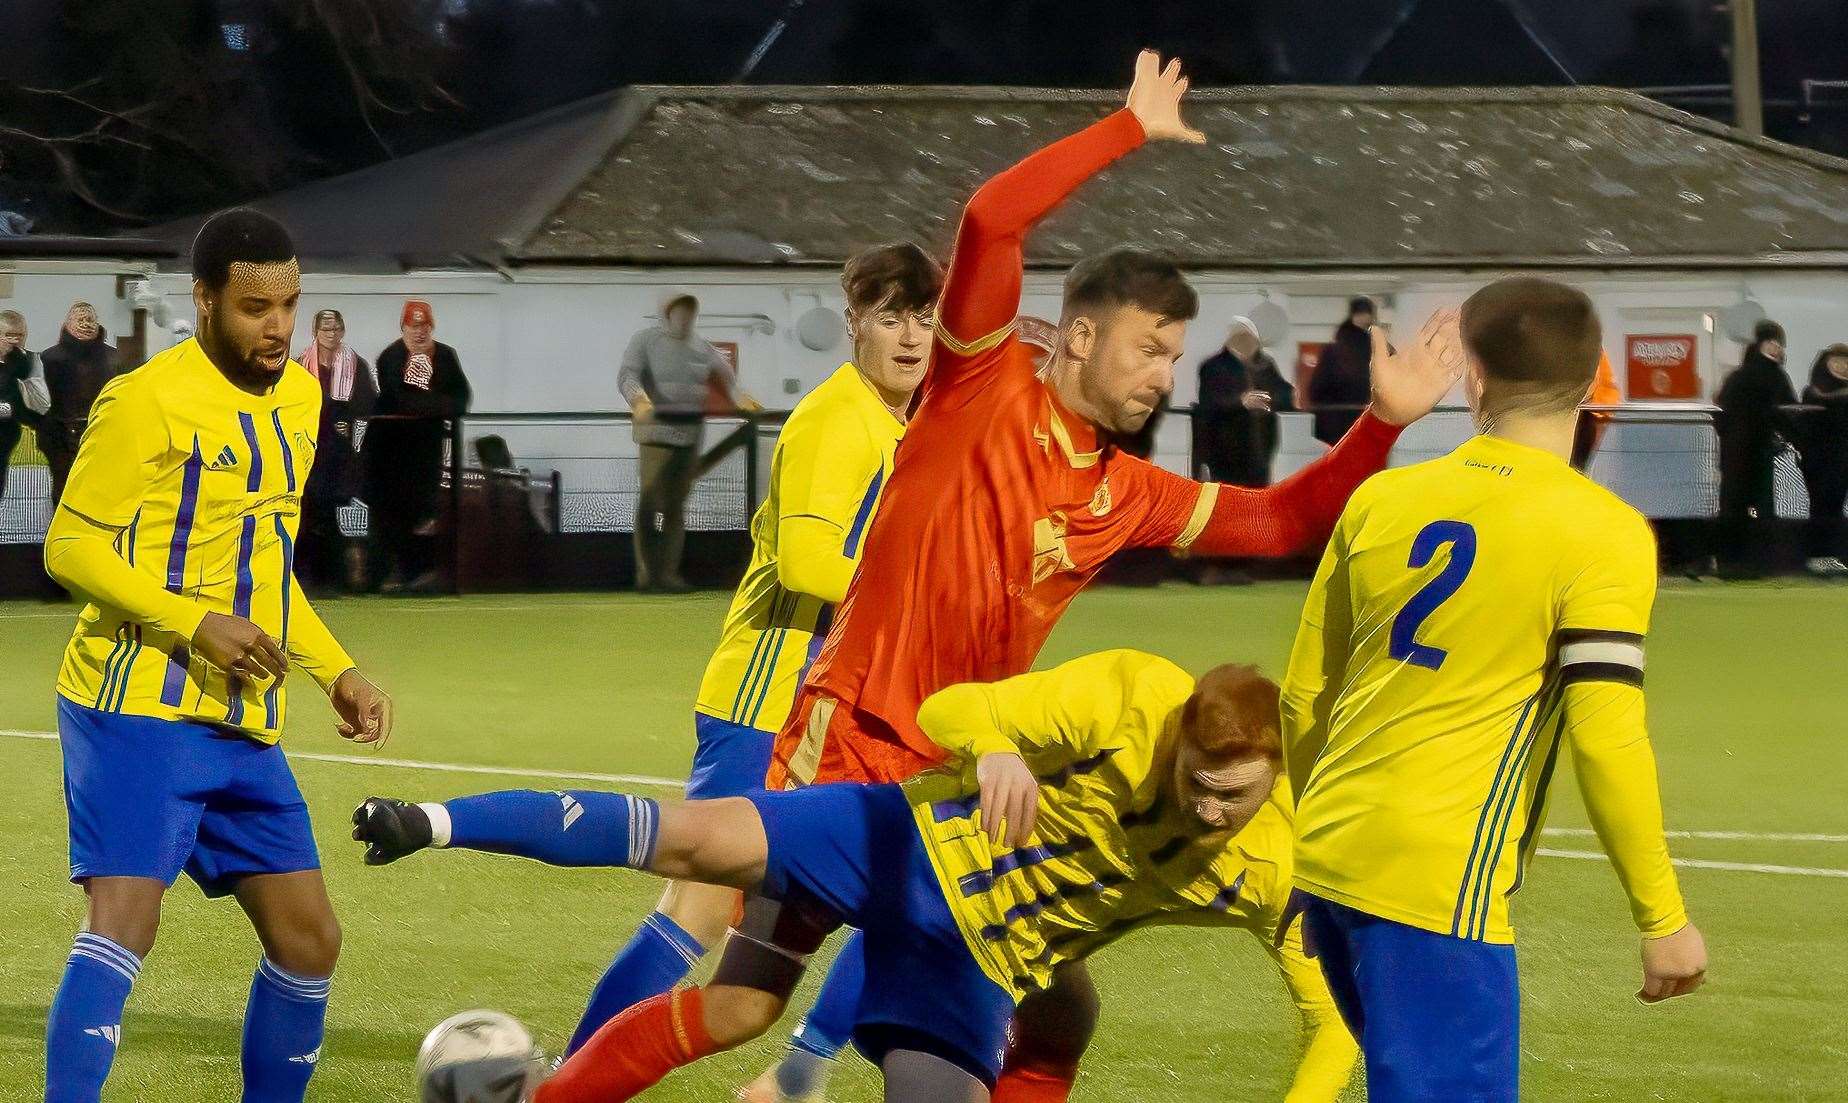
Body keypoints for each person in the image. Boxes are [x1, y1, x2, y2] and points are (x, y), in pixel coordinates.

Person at [545, 51, 1456, 1103]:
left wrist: (1382, 424)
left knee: (1053, 1004)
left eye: (1174, 355)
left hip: (970, 771)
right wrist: (1123, 128)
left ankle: (774, 1073)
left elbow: (1283, 516)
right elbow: (991, 220)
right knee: (743, 999)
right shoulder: (978, 381)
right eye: (1150, 349)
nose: (1164, 375)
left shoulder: (1131, 490)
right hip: (850, 740)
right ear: (1077, 335)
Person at [352, 649, 1359, 1102]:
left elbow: (1332, 1023)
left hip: (969, 954)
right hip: (899, 837)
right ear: (1181, 739)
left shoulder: (1280, 866)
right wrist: (1000, 746)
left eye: (1235, 794)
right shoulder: (1135, 695)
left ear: (1276, 772)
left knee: (750, 1006)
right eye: (1199, 783)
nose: (1212, 808)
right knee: (692, 837)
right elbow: (960, 706)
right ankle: (430, 820)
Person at [1279, 276, 1707, 1103]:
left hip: (1332, 858)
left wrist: (1314, 842)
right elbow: (1605, 736)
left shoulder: (1383, 498)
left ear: (1470, 375)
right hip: (1439, 885)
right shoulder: (1601, 530)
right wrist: (1662, 917)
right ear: (1593, 379)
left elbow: (1304, 696)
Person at [40, 208, 394, 1103]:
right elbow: (69, 549)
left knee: (310, 939)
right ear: (203, 301)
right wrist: (193, 620)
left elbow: (265, 561)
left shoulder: (304, 399)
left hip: (241, 718)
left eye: (288, 304)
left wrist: (335, 667)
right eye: (253, 307)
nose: (277, 326)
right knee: (125, 920)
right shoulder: (144, 399)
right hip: (136, 702)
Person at [561, 242, 944, 1059]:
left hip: (830, 704)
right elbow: (809, 565)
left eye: (924, 316)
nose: (910, 336)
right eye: (889, 317)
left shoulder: (899, 420)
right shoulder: (837, 421)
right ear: (854, 323)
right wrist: (926, 606)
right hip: (771, 698)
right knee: (697, 911)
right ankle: (575, 1071)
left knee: (904, 883)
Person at [619, 290, 762, 592]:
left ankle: (668, 575)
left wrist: (741, 399)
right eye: (679, 312)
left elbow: (727, 378)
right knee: (649, 500)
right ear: (667, 314)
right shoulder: (646, 340)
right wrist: (640, 401)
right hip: (655, 431)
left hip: (691, 431)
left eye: (689, 313)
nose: (684, 319)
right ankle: (647, 574)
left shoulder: (702, 348)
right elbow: (627, 374)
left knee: (674, 505)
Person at [364, 299, 471, 593]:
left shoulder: (446, 356)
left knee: (424, 513)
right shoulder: (390, 357)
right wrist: (437, 405)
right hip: (390, 453)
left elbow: (461, 399)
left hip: (426, 453)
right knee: (390, 512)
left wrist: (429, 406)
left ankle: (419, 575)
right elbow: (398, 399)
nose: (419, 332)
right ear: (403, 327)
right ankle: (387, 575)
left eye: (424, 326)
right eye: (413, 326)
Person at [296, 309, 377, 590]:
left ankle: (342, 578)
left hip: (344, 454)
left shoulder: (356, 366)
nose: (330, 334)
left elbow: (368, 404)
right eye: (324, 329)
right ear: (315, 332)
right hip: (310, 449)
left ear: (342, 331)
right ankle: (306, 576)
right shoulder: (300, 365)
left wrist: (348, 421)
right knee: (308, 513)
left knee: (339, 514)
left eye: (334, 329)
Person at [1715, 319, 1797, 578]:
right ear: (1761, 344)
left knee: (1739, 504)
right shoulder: (1771, 377)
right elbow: (1789, 413)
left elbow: (1721, 413)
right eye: (1772, 343)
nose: (1775, 348)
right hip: (1748, 450)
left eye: (1778, 344)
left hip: (1744, 451)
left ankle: (1736, 562)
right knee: (1752, 505)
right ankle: (1752, 562)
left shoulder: (1743, 376)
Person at [37, 301, 121, 508]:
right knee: (63, 493)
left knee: (101, 494)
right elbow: (41, 400)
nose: (86, 324)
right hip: (60, 437)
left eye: (90, 319)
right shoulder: (48, 358)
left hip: (103, 434)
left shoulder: (114, 358)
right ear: (68, 323)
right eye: (80, 320)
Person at [1195, 316, 1294, 488]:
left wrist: (1272, 399)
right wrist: (1241, 402)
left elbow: (1283, 393)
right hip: (1226, 450)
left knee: (1257, 499)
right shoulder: (1214, 366)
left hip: (1261, 447)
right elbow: (1210, 403)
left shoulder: (1265, 364)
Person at [1800, 343, 1848, 576]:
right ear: (1825, 364)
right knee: (1820, 507)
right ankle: (1817, 556)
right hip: (1818, 462)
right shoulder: (1812, 391)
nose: (1842, 366)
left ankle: (1833, 555)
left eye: (1846, 362)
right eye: (1836, 361)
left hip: (1842, 462)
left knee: (1836, 509)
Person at [1306, 297, 1374, 446]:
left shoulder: (1337, 346)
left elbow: (1316, 389)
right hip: (1350, 419)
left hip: (1338, 422)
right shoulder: (1369, 345)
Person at [1, 309, 50, 504]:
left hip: (17, 439)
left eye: (19, 335)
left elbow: (42, 404)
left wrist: (24, 375)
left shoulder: (31, 361)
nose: (14, 341)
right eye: (8, 336)